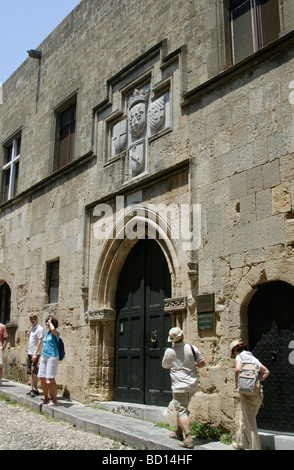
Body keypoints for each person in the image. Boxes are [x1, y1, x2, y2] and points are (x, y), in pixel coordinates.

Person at [162, 327, 205, 449]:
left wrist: (175, 365)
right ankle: (178, 432)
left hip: (179, 386)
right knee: (182, 407)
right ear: (183, 336)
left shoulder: (170, 352)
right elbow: (202, 363)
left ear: (172, 340)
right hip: (192, 385)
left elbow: (165, 365)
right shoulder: (192, 348)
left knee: (181, 411)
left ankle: (188, 438)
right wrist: (192, 365)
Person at [230, 340, 270, 450]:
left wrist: (237, 384)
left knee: (250, 421)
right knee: (244, 417)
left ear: (235, 350)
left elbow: (237, 369)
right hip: (257, 393)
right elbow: (266, 371)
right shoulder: (254, 359)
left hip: (245, 393)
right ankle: (241, 444)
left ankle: (256, 447)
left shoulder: (239, 357)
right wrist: (257, 382)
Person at [37, 316, 60, 406]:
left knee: (51, 377)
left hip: (52, 356)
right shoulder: (46, 333)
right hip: (44, 356)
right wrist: (40, 358)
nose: (47, 322)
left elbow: (53, 330)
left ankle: (54, 400)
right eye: (46, 321)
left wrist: (51, 323)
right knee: (42, 377)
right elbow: (44, 346)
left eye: (49, 321)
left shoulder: (56, 332)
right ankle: (46, 398)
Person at [26, 315, 43, 397]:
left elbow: (40, 341)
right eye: (31, 319)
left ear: (37, 319)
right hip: (30, 352)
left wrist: (35, 354)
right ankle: (35, 389)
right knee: (32, 372)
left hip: (35, 353)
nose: (33, 320)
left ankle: (32, 389)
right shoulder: (32, 328)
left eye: (34, 318)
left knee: (33, 372)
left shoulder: (39, 328)